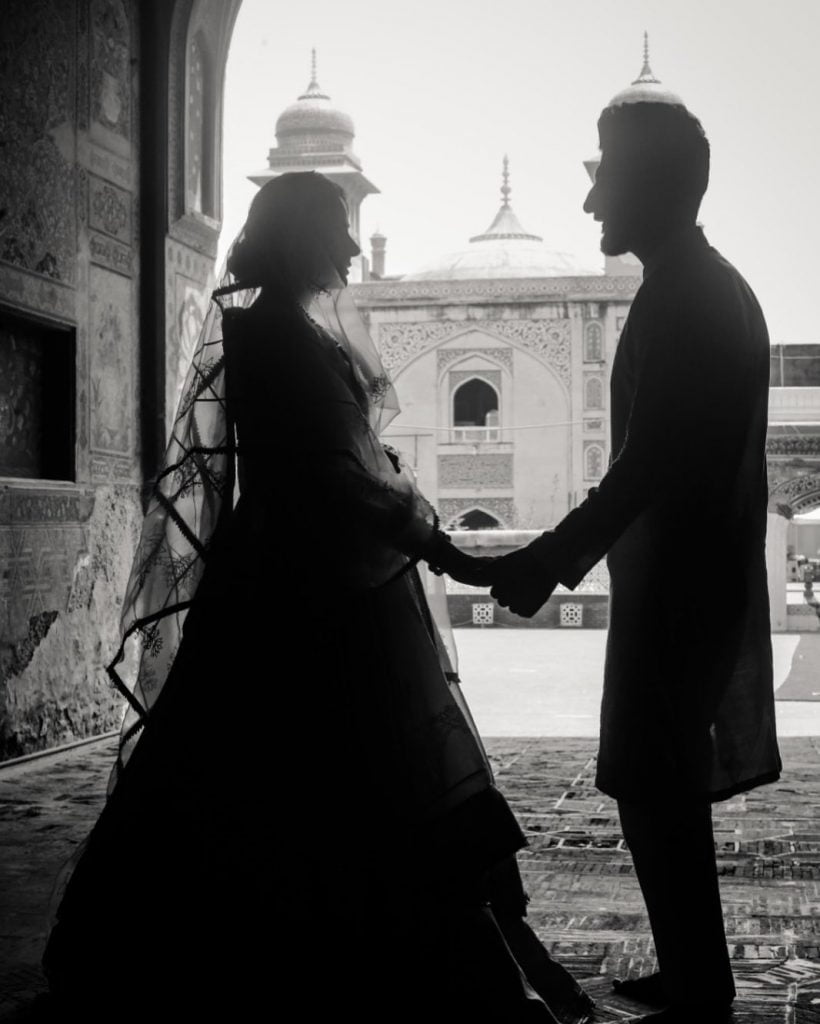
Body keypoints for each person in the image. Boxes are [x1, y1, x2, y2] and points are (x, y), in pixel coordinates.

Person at [42, 171, 591, 1023]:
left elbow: (355, 462)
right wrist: (445, 547)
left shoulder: (294, 330)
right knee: (339, 775)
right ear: (301, 235)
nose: (347, 247)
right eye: (335, 228)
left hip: (318, 578)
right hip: (311, 591)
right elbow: (336, 475)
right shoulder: (273, 336)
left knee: (281, 776)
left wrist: (425, 533)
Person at [489, 100, 781, 1023]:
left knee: (657, 785)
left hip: (683, 587)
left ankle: (702, 989)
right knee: (661, 789)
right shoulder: (695, 285)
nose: (590, 204)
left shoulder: (693, 297)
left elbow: (650, 462)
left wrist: (550, 556)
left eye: (604, 176)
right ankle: (698, 972)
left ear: (655, 183)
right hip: (679, 580)